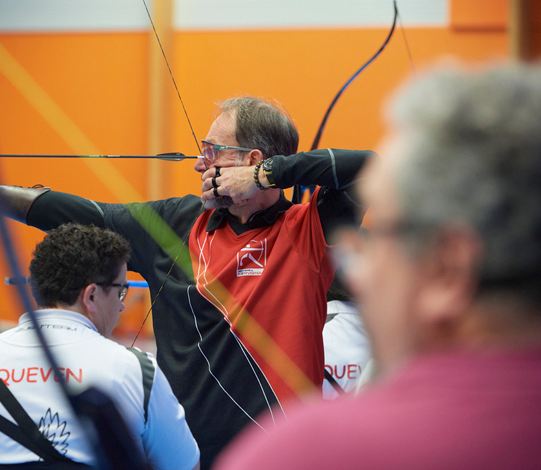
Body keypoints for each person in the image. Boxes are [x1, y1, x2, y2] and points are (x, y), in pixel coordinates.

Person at [0, 96, 375, 468]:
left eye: (211, 153)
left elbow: (371, 166)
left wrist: (268, 174)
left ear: (251, 159)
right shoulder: (178, 223)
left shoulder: (307, 229)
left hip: (284, 456)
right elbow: (81, 212)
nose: (198, 164)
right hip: (184, 457)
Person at [213, 64, 541, 470]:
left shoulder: (306, 452)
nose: (359, 273)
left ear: (448, 272)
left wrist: (264, 176)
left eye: (381, 234)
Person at [0, 223, 200, 470]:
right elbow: (186, 466)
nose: (121, 305)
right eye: (120, 291)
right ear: (91, 295)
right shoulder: (136, 371)